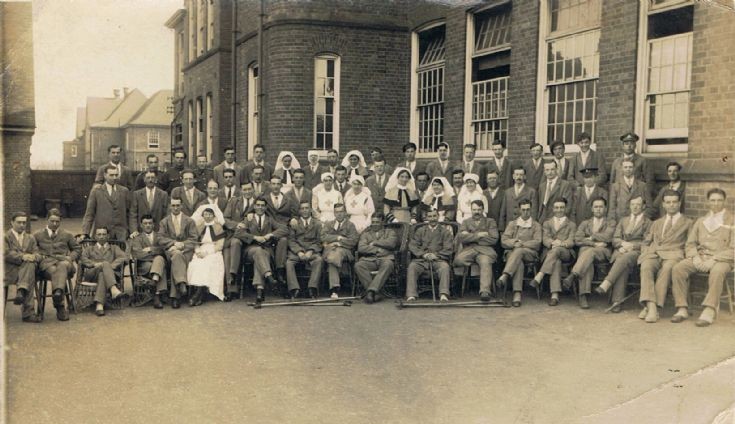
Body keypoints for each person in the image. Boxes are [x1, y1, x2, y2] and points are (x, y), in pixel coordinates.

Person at [671, 188, 733, 326]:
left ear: (724, 201)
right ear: (708, 202)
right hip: (701, 257)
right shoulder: (701, 221)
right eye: (712, 200)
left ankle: (709, 310)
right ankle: (682, 308)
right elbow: (690, 244)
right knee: (678, 268)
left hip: (723, 259)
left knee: (717, 271)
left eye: (719, 200)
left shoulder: (732, 220)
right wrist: (695, 257)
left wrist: (714, 259)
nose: (715, 203)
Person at [637, 190, 692, 323]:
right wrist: (646, 252)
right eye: (668, 202)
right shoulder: (657, 223)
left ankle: (653, 307)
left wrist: (688, 257)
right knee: (646, 266)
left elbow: (690, 243)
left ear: (679, 204)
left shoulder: (688, 222)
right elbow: (646, 241)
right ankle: (651, 306)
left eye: (674, 202)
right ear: (663, 204)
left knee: (667, 269)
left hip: (674, 254)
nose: (671, 205)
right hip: (655, 253)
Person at [594, 195, 652, 313]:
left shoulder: (648, 223)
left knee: (624, 259)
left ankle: (607, 283)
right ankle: (617, 301)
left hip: (636, 252)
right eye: (633, 204)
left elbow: (647, 242)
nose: (635, 207)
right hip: (621, 251)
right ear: (630, 206)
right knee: (623, 264)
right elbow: (615, 238)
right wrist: (622, 245)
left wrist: (632, 246)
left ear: (643, 206)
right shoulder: (623, 220)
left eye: (638, 205)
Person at [562, 198, 616, 309]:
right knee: (587, 256)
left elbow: (608, 237)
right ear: (592, 209)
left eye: (601, 207)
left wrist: (591, 237)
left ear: (605, 209)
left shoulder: (611, 222)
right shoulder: (585, 223)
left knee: (586, 252)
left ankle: (573, 275)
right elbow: (577, 239)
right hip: (590, 252)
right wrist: (595, 244)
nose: (598, 209)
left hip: (603, 253)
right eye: (596, 207)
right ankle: (583, 295)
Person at [234, 198, 289, 302]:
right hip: (250, 250)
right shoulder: (248, 219)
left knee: (260, 256)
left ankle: (260, 291)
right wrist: (254, 237)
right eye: (258, 205)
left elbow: (284, 229)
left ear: (266, 207)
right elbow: (238, 233)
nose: (260, 207)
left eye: (262, 205)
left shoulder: (269, 219)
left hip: (266, 250)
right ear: (254, 206)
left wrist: (270, 235)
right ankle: (269, 276)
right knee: (258, 251)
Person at [33, 209, 81, 321]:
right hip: (47, 265)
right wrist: (39, 256)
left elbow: (77, 249)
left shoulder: (67, 234)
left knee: (63, 266)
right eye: (52, 221)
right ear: (47, 220)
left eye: (57, 222)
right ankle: (60, 305)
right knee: (56, 270)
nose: (54, 224)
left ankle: (58, 294)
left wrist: (71, 257)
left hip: (64, 263)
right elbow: (32, 250)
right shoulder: (37, 234)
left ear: (60, 221)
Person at [530, 199, 577, 306]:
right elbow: (545, 239)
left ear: (565, 209)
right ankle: (554, 295)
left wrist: (561, 244)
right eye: (556, 207)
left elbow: (571, 241)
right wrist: (553, 243)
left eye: (561, 207)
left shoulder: (571, 224)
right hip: (550, 253)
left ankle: (540, 275)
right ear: (553, 209)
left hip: (566, 252)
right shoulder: (547, 223)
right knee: (556, 262)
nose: (559, 210)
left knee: (556, 251)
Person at [497, 199, 542, 307]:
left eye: (528, 210)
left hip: (529, 254)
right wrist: (514, 242)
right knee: (519, 262)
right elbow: (504, 241)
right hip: (512, 254)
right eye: (523, 210)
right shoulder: (513, 224)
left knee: (519, 251)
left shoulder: (536, 225)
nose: (526, 212)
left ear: (531, 210)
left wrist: (521, 244)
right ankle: (517, 294)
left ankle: (505, 275)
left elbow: (537, 242)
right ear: (519, 210)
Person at [405, 208, 454, 302]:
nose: (432, 219)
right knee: (412, 266)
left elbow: (448, 248)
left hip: (438, 260)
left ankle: (443, 294)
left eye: (434, 216)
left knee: (445, 267)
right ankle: (411, 295)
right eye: (430, 216)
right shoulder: (420, 230)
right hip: (422, 260)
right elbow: (413, 245)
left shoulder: (445, 232)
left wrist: (436, 255)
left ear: (438, 217)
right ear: (426, 218)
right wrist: (423, 254)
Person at [157, 197, 199, 308]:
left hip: (186, 252)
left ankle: (176, 297)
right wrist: (174, 243)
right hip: (171, 251)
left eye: (177, 205)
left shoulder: (189, 221)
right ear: (170, 206)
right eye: (173, 205)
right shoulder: (164, 222)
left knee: (177, 257)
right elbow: (160, 238)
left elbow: (194, 238)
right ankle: (181, 284)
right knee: (176, 255)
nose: (175, 208)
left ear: (181, 206)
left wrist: (183, 245)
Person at [454, 200, 499, 301]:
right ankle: (456, 286)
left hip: (485, 251)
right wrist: (479, 235)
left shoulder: (490, 221)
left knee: (485, 261)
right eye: (474, 209)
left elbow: (494, 239)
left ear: (483, 209)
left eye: (479, 209)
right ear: (471, 210)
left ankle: (485, 291)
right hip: (470, 250)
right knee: (458, 260)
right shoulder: (466, 222)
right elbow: (461, 238)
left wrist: (470, 236)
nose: (477, 212)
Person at [80, 227, 129, 317]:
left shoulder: (114, 248)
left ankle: (99, 305)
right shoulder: (89, 249)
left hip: (109, 275)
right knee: (104, 265)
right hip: (92, 274)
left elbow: (124, 258)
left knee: (103, 274)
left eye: (104, 234)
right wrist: (94, 264)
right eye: (99, 234)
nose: (101, 237)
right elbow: (82, 259)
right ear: (95, 236)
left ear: (108, 236)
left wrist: (110, 267)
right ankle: (113, 289)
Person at [5, 212, 41, 323]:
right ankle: (28, 314)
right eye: (19, 222)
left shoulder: (30, 238)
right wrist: (23, 256)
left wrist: (33, 257)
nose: (22, 225)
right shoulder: (5, 237)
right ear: (12, 223)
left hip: (26, 272)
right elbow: (5, 254)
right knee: (29, 271)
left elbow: (38, 254)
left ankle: (21, 290)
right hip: (10, 272)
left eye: (24, 223)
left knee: (29, 266)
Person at [222, 182, 256, 300]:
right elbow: (225, 219)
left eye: (249, 189)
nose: (247, 192)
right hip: (232, 236)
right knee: (227, 256)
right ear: (241, 190)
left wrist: (247, 224)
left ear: (253, 189)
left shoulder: (258, 203)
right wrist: (238, 225)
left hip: (248, 239)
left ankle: (233, 274)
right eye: (245, 189)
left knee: (235, 243)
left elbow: (261, 222)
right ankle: (231, 289)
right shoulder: (234, 201)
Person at [354, 213, 398, 303]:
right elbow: (361, 248)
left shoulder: (390, 232)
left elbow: (391, 243)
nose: (374, 224)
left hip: (385, 258)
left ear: (382, 222)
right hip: (369, 259)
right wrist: (377, 249)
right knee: (358, 265)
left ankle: (370, 291)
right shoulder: (366, 234)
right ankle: (376, 292)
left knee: (388, 264)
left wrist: (375, 243)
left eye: (377, 222)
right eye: (373, 222)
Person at [186, 208, 226, 306]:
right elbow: (195, 242)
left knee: (208, 264)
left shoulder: (218, 227)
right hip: (201, 250)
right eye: (205, 214)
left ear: (213, 215)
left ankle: (198, 295)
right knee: (195, 264)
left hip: (214, 251)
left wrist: (207, 253)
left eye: (209, 214)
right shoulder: (198, 227)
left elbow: (220, 245)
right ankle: (200, 294)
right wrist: (198, 251)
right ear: (202, 216)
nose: (207, 216)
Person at [285, 201, 324, 299]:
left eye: (307, 208)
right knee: (289, 262)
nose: (305, 210)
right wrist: (299, 252)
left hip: (312, 251)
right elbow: (291, 240)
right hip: (297, 252)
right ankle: (294, 289)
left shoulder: (317, 224)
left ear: (311, 209)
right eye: (302, 208)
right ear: (299, 211)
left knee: (319, 260)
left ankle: (312, 288)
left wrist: (311, 250)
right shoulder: (294, 224)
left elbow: (320, 241)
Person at [82, 165, 131, 241]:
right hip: (101, 235)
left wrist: (129, 231)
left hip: (121, 236)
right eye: (111, 175)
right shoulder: (96, 191)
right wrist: (85, 233)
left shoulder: (124, 191)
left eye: (116, 175)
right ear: (105, 175)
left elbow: (129, 213)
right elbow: (89, 214)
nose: (114, 177)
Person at [320, 203, 359, 298]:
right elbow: (323, 236)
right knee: (333, 255)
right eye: (337, 212)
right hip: (330, 249)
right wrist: (338, 238)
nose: (339, 214)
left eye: (341, 211)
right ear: (334, 213)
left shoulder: (350, 225)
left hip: (345, 250)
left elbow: (353, 241)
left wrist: (339, 243)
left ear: (345, 213)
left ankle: (334, 289)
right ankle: (335, 288)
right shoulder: (329, 224)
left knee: (333, 256)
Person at [130, 215, 168, 309]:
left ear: (154, 225)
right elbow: (138, 254)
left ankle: (156, 290)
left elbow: (164, 250)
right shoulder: (137, 238)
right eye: (145, 223)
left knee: (159, 258)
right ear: (141, 225)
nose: (148, 225)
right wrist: (154, 255)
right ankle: (157, 292)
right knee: (159, 261)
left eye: (150, 223)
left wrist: (150, 249)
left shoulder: (159, 236)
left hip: (158, 263)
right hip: (144, 267)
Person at [500, 166, 538, 231]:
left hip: (525, 227)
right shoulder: (507, 192)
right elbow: (503, 211)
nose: (519, 177)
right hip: (510, 227)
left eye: (521, 175)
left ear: (525, 177)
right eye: (516, 175)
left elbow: (533, 212)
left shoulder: (531, 192)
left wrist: (531, 228)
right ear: (513, 176)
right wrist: (501, 228)